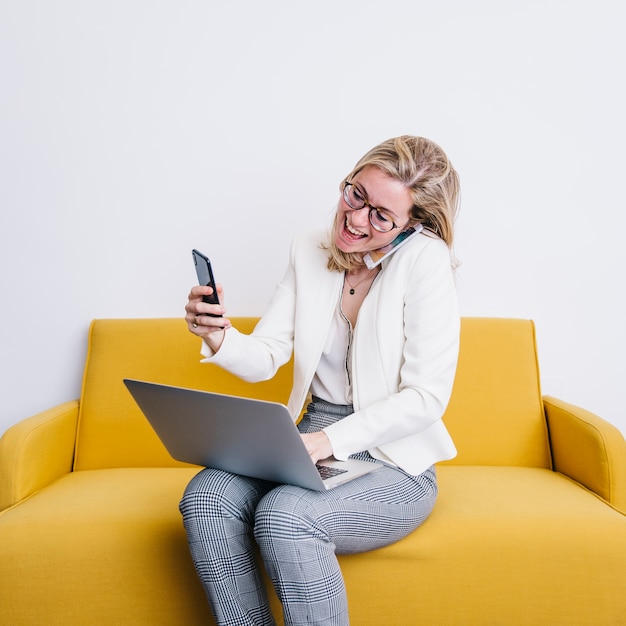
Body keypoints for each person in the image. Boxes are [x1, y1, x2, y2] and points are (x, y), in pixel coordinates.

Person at [180, 135, 461, 626]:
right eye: (356, 195)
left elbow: (425, 397)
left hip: (395, 457)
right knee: (205, 499)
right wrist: (219, 335)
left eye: (381, 216)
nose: (355, 219)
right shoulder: (308, 247)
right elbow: (268, 354)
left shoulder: (425, 262)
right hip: (310, 433)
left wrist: (328, 441)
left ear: (412, 225)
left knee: (286, 517)